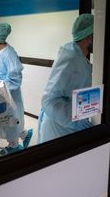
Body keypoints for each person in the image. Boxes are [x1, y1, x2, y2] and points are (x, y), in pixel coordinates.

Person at [37, 14, 94, 143]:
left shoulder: (79, 56)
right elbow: (49, 100)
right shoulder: (71, 58)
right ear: (90, 37)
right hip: (59, 129)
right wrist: (76, 122)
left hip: (67, 125)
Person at [0, 23, 33, 155]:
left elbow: (15, 79)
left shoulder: (8, 53)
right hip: (4, 92)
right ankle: (24, 135)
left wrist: (0, 87)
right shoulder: (1, 52)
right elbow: (1, 70)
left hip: (9, 93)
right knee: (9, 118)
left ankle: (14, 146)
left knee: (10, 118)